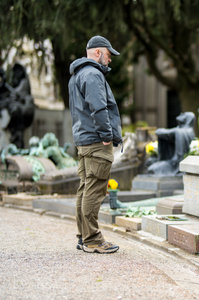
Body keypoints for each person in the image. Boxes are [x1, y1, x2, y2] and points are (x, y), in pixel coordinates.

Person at [68, 35, 122, 254]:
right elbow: (98, 108)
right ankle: (93, 239)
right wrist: (107, 135)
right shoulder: (92, 74)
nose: (109, 60)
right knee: (95, 189)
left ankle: (83, 236)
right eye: (108, 55)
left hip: (84, 139)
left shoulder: (78, 74)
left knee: (85, 188)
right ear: (98, 52)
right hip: (96, 140)